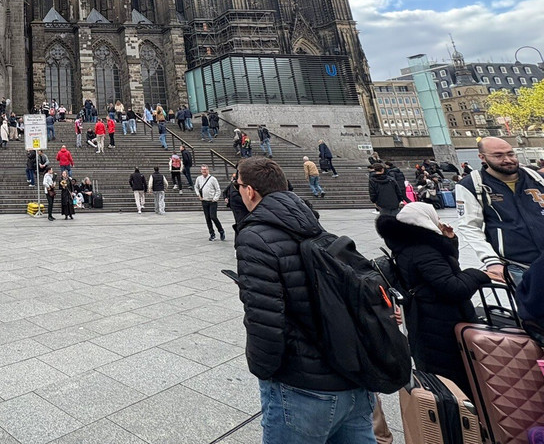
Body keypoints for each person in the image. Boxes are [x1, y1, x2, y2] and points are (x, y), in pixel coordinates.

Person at [234, 157, 375, 444]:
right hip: (353, 381)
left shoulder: (255, 237)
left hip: (303, 387)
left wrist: (264, 372)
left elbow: (265, 318)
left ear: (249, 191)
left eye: (237, 186)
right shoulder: (315, 227)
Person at [376, 202, 492, 395]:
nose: (439, 221)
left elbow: (441, 269)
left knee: (441, 380)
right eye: (435, 217)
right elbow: (453, 287)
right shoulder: (423, 249)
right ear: (424, 220)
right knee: (455, 382)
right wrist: (480, 274)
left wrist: (450, 240)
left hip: (426, 318)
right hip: (440, 323)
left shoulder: (408, 243)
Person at [456, 136, 544, 282]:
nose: (508, 159)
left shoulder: (537, 178)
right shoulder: (473, 185)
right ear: (482, 157)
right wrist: (491, 260)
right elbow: (469, 226)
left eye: (510, 154)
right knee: (532, 304)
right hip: (518, 265)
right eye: (498, 155)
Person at [195, 165, 225, 241]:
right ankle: (212, 233)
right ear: (201, 171)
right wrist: (198, 194)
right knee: (207, 218)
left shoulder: (213, 179)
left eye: (205, 170)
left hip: (212, 201)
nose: (204, 171)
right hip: (204, 200)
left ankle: (221, 230)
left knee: (213, 216)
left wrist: (215, 198)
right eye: (202, 170)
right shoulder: (199, 178)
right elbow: (196, 187)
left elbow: (218, 189)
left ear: (208, 170)